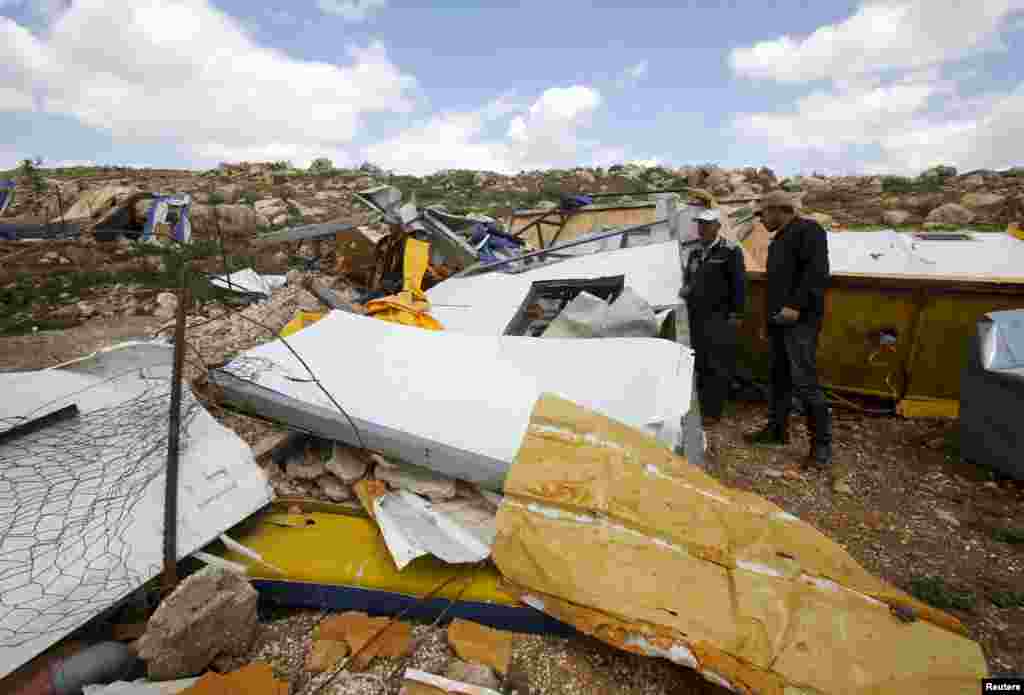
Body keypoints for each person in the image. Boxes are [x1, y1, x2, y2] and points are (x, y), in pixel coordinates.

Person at [744, 190, 833, 467]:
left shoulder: (808, 230)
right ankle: (777, 430)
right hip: (779, 322)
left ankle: (821, 446)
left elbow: (816, 273)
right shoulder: (780, 239)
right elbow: (775, 286)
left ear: (779, 209)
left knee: (805, 383)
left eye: (762, 214)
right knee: (779, 377)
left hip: (800, 321)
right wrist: (768, 322)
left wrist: (795, 306)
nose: (760, 220)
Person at [678, 208, 745, 426]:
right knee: (700, 361)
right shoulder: (696, 253)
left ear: (717, 226)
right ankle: (700, 407)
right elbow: (690, 278)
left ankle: (713, 412)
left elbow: (739, 285)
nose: (702, 229)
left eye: (707, 225)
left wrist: (737, 313)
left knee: (716, 364)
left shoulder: (730, 251)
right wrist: (686, 288)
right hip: (696, 315)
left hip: (719, 316)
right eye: (700, 225)